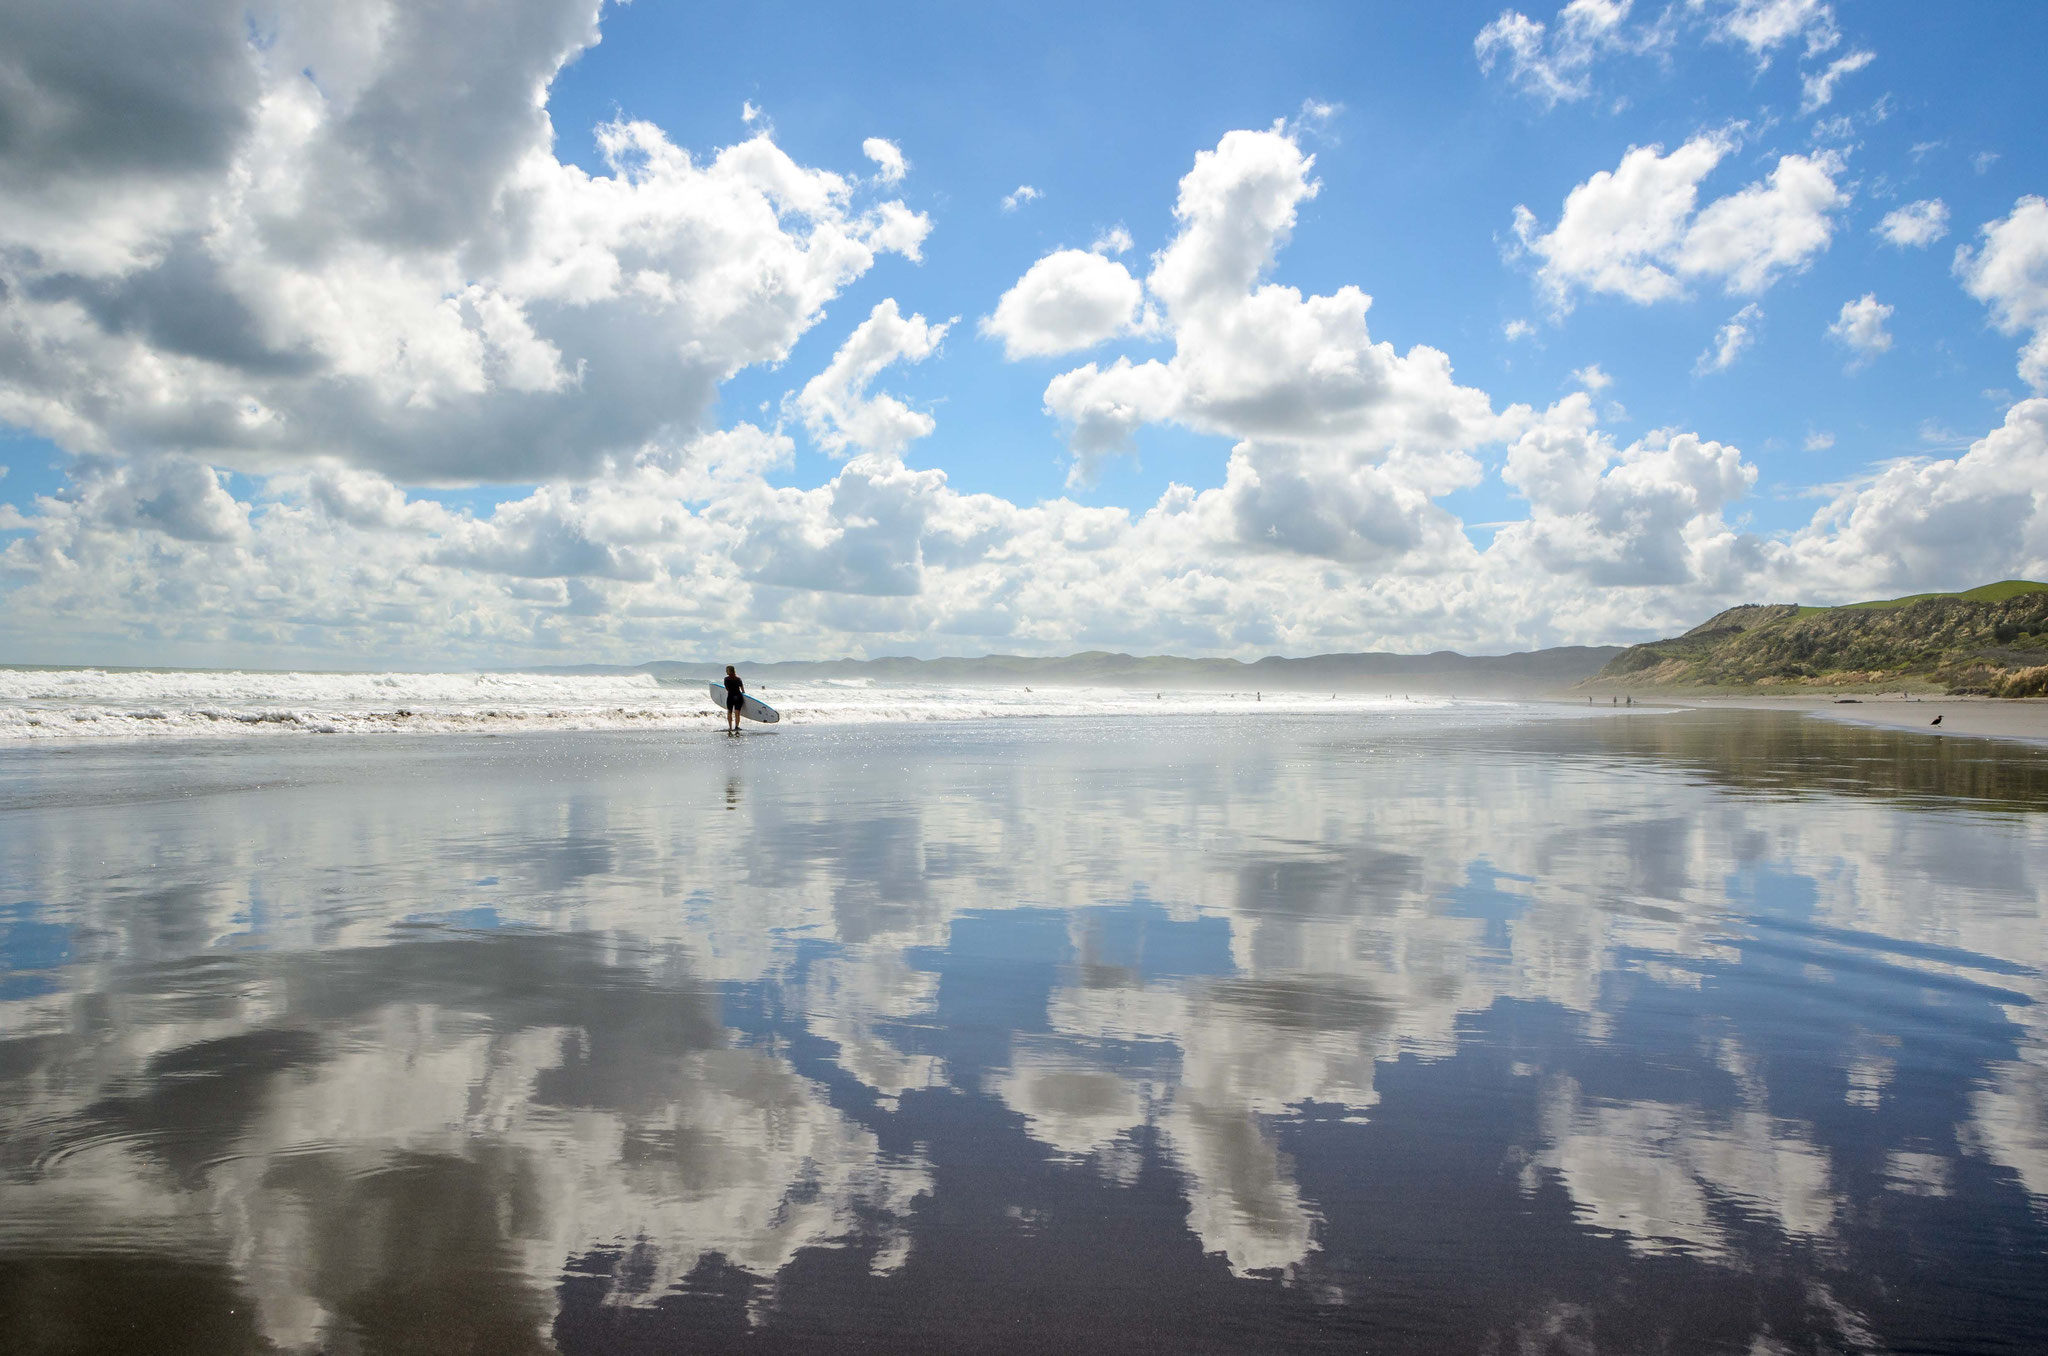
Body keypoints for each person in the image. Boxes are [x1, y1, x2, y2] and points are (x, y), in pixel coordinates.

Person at [722, 665, 745, 733]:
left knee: (729, 712)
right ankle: (737, 726)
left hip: (731, 696)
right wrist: (744, 694)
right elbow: (742, 688)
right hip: (738, 696)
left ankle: (730, 727)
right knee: (737, 712)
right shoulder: (738, 678)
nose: (726, 671)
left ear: (729, 671)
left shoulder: (726, 679)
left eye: (727, 670)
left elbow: (727, 688)